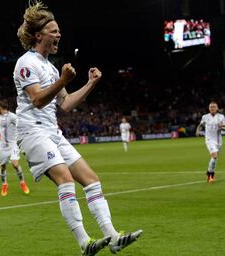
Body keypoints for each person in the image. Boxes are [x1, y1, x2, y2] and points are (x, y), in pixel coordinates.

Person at [14, 2, 142, 255]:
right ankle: (85, 243)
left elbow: (66, 104)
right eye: (53, 31)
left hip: (52, 132)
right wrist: (62, 80)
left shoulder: (50, 67)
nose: (59, 35)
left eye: (59, 31)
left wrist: (89, 84)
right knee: (65, 178)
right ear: (39, 35)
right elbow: (37, 100)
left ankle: (113, 237)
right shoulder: (25, 63)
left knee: (91, 180)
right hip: (32, 132)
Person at [0, 100, 30, 196]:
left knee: (15, 164)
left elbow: (21, 124)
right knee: (2, 166)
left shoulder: (12, 116)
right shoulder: (0, 115)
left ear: (1, 107)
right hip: (3, 146)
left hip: (13, 144)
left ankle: (22, 182)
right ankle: (4, 184)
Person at [196, 101, 225, 182]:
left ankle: (210, 172)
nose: (212, 108)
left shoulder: (221, 117)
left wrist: (221, 127)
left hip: (219, 141)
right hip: (209, 140)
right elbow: (200, 125)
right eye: (211, 107)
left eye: (214, 107)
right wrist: (198, 131)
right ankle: (211, 175)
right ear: (209, 108)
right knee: (215, 156)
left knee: (215, 159)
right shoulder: (205, 117)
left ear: (217, 108)